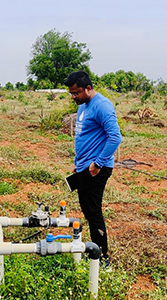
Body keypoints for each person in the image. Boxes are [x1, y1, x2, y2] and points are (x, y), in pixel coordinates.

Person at [64, 71, 122, 267]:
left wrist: (97, 163)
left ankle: (101, 257)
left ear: (88, 88)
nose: (74, 97)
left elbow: (115, 137)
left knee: (93, 212)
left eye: (76, 93)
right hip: (84, 166)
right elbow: (84, 136)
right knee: (88, 210)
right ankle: (95, 251)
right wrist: (78, 162)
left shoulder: (102, 106)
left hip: (96, 169)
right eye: (71, 93)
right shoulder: (83, 105)